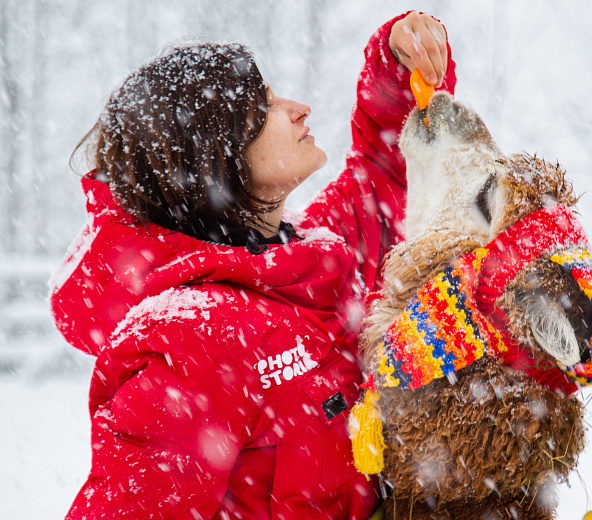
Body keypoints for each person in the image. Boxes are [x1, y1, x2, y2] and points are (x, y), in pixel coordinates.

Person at [50, 11, 456, 520]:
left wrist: (401, 64)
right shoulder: (189, 342)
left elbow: (386, 168)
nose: (299, 109)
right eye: (265, 107)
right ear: (214, 159)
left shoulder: (313, 254)